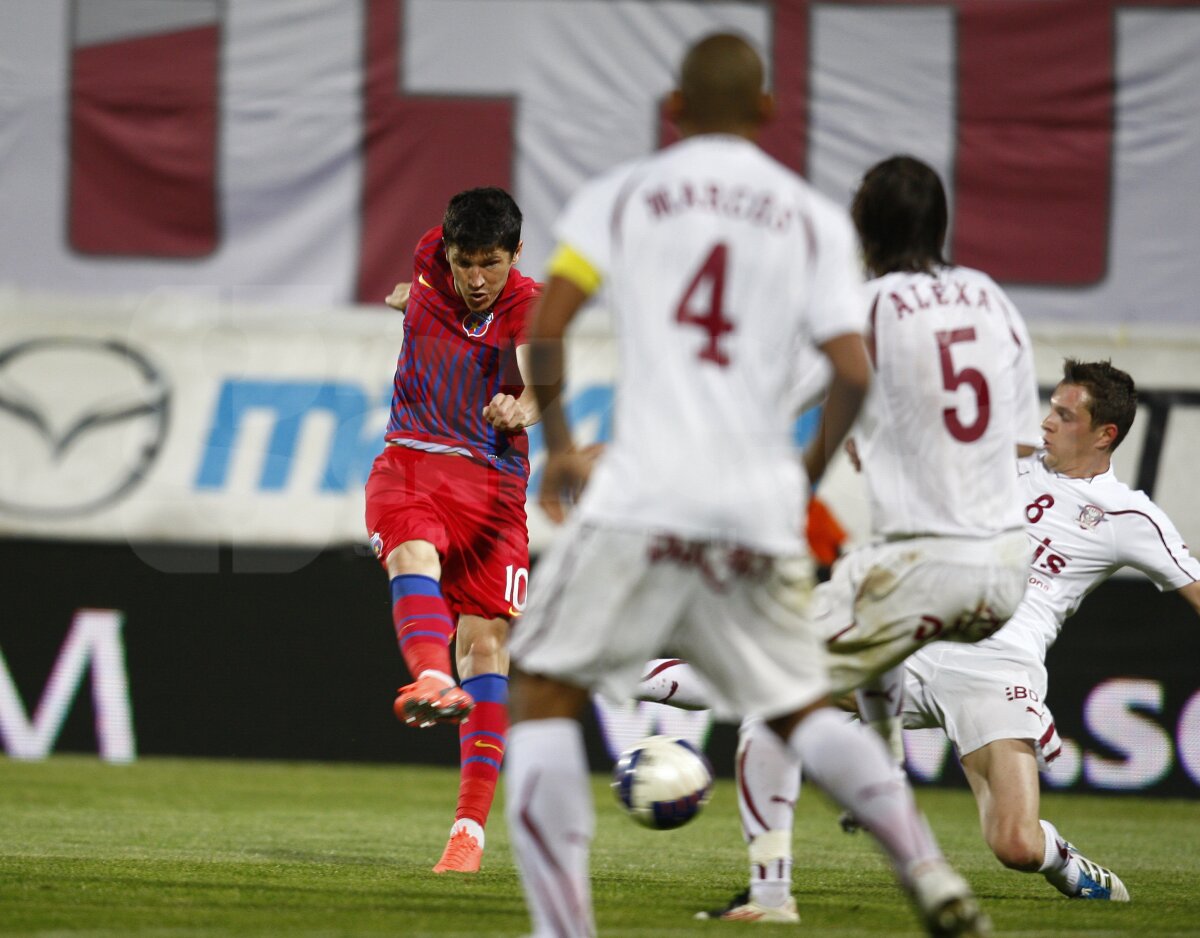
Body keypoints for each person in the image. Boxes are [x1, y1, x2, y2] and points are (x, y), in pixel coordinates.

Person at [505, 35, 992, 938]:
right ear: (768, 112)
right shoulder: (811, 219)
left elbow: (551, 321)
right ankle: (924, 867)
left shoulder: (624, 196)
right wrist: (800, 475)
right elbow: (851, 369)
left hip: (643, 493)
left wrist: (566, 445)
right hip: (757, 509)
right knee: (803, 706)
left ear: (674, 108)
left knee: (538, 689)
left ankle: (563, 929)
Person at [647, 155, 1043, 922]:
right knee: (858, 588)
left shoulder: (861, 307)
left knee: (774, 697)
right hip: (1006, 565)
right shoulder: (994, 302)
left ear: (859, 228)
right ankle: (887, 750)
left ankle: (772, 895)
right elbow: (1020, 444)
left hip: (929, 558)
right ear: (940, 224)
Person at [896, 358, 1200, 901]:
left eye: (1064, 414)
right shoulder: (1009, 460)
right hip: (920, 634)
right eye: (1050, 409)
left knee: (1015, 845)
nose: (1046, 423)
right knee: (786, 688)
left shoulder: (1128, 517)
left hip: (997, 668)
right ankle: (685, 678)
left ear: (1105, 434)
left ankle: (1067, 865)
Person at [363, 186, 540, 874]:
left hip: (495, 486)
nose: (475, 279)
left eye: (490, 264)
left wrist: (525, 407)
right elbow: (432, 289)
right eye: (464, 262)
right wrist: (417, 296)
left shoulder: (530, 302)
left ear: (515, 255)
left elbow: (546, 377)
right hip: (413, 458)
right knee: (412, 548)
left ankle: (468, 832)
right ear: (445, 251)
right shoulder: (429, 259)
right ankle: (432, 680)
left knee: (488, 640)